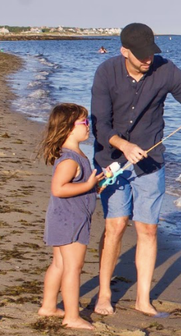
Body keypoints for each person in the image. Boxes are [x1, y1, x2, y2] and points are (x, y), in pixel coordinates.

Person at [91, 22, 181, 316]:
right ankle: (104, 294)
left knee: (147, 229)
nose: (148, 60)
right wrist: (123, 145)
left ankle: (143, 299)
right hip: (112, 160)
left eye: (151, 53)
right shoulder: (106, 72)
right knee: (116, 226)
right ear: (124, 51)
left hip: (150, 161)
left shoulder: (165, 69)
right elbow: (100, 124)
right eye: (141, 55)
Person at [38, 103, 104, 330]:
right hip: (71, 221)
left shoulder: (74, 153)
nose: (88, 126)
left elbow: (75, 186)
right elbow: (58, 188)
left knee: (59, 264)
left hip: (63, 218)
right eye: (84, 123)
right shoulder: (69, 159)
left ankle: (48, 306)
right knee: (72, 267)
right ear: (68, 128)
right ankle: (72, 316)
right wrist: (88, 184)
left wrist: (92, 187)